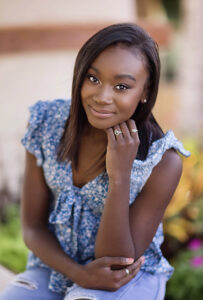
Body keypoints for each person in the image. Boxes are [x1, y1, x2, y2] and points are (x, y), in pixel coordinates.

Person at [0, 23, 190, 300]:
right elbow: (32, 227)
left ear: (145, 91)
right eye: (93, 79)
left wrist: (120, 176)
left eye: (122, 86)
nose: (102, 97)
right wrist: (79, 274)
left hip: (128, 278)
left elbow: (118, 261)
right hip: (56, 266)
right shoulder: (46, 124)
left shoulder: (162, 160)